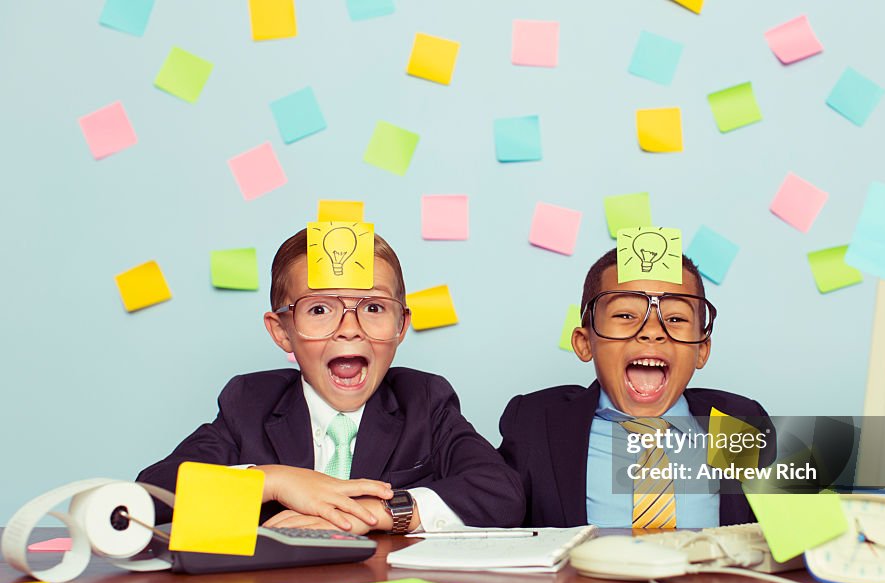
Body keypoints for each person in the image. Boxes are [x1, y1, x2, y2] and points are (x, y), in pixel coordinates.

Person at [138, 228, 525, 534]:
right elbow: (149, 498)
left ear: (401, 325)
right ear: (282, 331)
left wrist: (378, 513)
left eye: (373, 308)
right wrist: (269, 481)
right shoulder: (249, 403)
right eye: (320, 309)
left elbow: (501, 492)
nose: (349, 330)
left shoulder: (424, 401)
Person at [499, 248, 774, 528]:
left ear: (702, 350)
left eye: (676, 319)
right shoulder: (535, 421)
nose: (651, 330)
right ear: (584, 342)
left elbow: (810, 532)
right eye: (625, 315)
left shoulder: (741, 419)